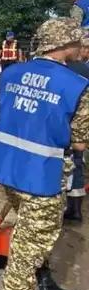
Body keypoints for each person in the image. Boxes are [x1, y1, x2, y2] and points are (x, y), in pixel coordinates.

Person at [0, 18, 88, 290]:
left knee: (31, 234)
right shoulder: (76, 86)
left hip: (6, 168)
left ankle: (47, 288)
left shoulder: (11, 73)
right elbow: (81, 143)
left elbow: (9, 115)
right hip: (42, 178)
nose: (82, 47)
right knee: (29, 244)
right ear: (63, 45)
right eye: (78, 42)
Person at [64, 33, 89, 222]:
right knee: (78, 163)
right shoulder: (85, 69)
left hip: (66, 121)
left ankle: (63, 208)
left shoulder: (65, 69)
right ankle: (76, 211)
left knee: (63, 165)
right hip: (83, 121)